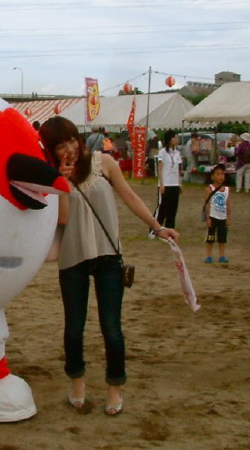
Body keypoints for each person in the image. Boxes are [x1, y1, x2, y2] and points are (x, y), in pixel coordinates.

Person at [39, 116, 179, 416]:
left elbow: (129, 196)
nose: (69, 149)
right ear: (52, 150)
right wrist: (61, 184)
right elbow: (62, 221)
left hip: (108, 256)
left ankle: (114, 387)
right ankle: (77, 383)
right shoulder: (52, 176)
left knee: (111, 327)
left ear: (79, 138)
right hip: (73, 257)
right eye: (60, 145)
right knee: (74, 328)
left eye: (72, 140)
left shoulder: (104, 163)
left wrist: (158, 227)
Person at [155, 130, 183, 230]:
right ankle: (155, 228)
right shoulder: (162, 152)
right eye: (175, 137)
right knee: (162, 207)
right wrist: (161, 184)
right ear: (170, 139)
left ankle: (170, 228)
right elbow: (160, 168)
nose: (177, 139)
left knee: (173, 208)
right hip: (165, 183)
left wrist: (180, 183)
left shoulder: (177, 153)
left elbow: (179, 170)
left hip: (174, 184)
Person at [204, 164, 231, 264]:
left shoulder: (227, 190)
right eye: (218, 174)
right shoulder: (209, 189)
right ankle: (209, 256)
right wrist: (208, 218)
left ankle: (222, 256)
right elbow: (207, 204)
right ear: (212, 176)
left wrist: (229, 217)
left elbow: (228, 204)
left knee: (222, 238)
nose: (220, 176)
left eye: (222, 174)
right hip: (213, 216)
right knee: (210, 237)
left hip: (222, 217)